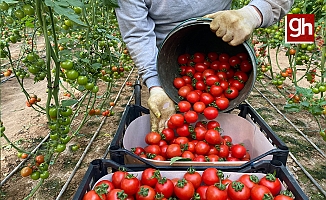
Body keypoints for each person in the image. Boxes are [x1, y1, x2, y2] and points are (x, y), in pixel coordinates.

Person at [115, 0, 294, 133]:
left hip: (223, 48)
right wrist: (156, 85)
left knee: (216, 130)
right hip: (168, 64)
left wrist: (253, 14)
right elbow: (137, 33)